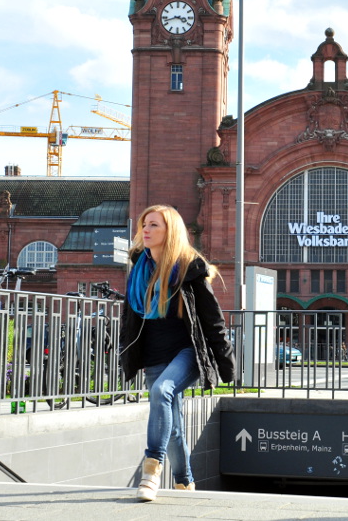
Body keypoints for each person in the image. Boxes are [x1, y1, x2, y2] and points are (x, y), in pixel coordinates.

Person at [120, 205, 236, 501]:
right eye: (145, 224)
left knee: (162, 391)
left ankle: (151, 470)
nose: (145, 230)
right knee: (173, 426)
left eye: (154, 225)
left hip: (187, 352)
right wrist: (125, 351)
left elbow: (213, 321)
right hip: (153, 354)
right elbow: (130, 318)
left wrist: (227, 365)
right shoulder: (139, 269)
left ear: (170, 231)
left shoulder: (189, 269)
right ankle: (185, 482)